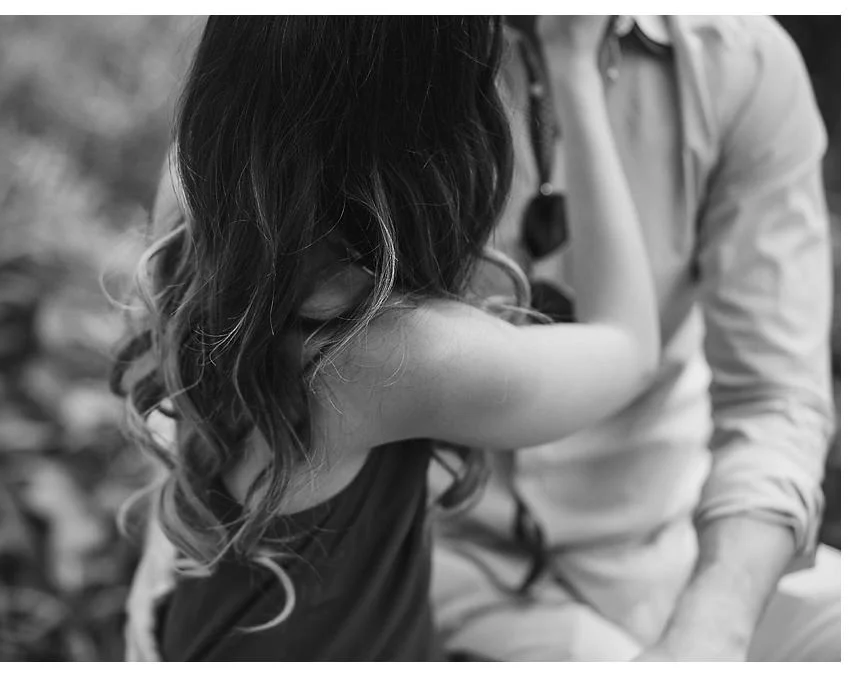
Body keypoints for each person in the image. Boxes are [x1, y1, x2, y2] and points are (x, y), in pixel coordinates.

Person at [126, 15, 841, 662]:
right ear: (438, 141)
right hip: (455, 573)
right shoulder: (404, 354)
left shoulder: (228, 256)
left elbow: (776, 398)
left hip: (650, 550)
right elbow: (628, 343)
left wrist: (709, 630)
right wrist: (578, 73)